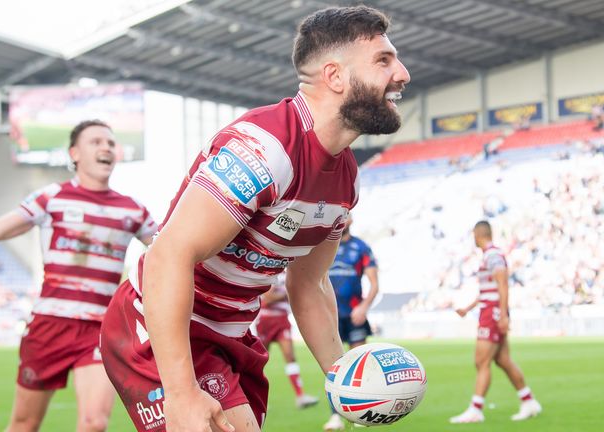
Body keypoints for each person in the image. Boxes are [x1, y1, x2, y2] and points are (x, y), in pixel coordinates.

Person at [98, 5, 410, 432]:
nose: (403, 73)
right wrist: (182, 392)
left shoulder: (346, 180)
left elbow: (310, 284)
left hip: (235, 334)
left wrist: (344, 378)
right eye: (384, 60)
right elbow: (168, 254)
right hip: (162, 325)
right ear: (335, 76)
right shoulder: (266, 148)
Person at [0, 120, 157, 432]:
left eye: (110, 143)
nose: (106, 147)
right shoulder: (51, 198)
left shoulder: (133, 210)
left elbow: (170, 250)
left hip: (99, 328)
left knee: (94, 422)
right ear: (74, 153)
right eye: (96, 142)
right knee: (24, 423)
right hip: (49, 326)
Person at [449, 220, 541, 424]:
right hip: (490, 311)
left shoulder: (493, 255)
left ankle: (476, 409)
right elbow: (487, 290)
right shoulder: (489, 256)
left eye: (473, 235)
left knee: (481, 361)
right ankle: (529, 401)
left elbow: (503, 284)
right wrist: (468, 308)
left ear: (478, 234)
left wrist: (502, 314)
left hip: (493, 314)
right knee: (503, 360)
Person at [323, 213, 380, 431]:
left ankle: (360, 414)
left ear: (352, 221)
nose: (343, 219)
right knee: (334, 366)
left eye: (347, 216)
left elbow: (374, 284)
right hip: (330, 315)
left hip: (354, 314)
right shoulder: (324, 245)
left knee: (359, 366)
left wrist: (363, 307)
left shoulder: (361, 248)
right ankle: (335, 415)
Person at [254, 271, 320, 409]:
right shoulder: (271, 271)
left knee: (290, 357)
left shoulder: (289, 275)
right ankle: (253, 397)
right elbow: (268, 298)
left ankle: (300, 396)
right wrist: (287, 294)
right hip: (266, 320)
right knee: (258, 360)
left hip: (282, 320)